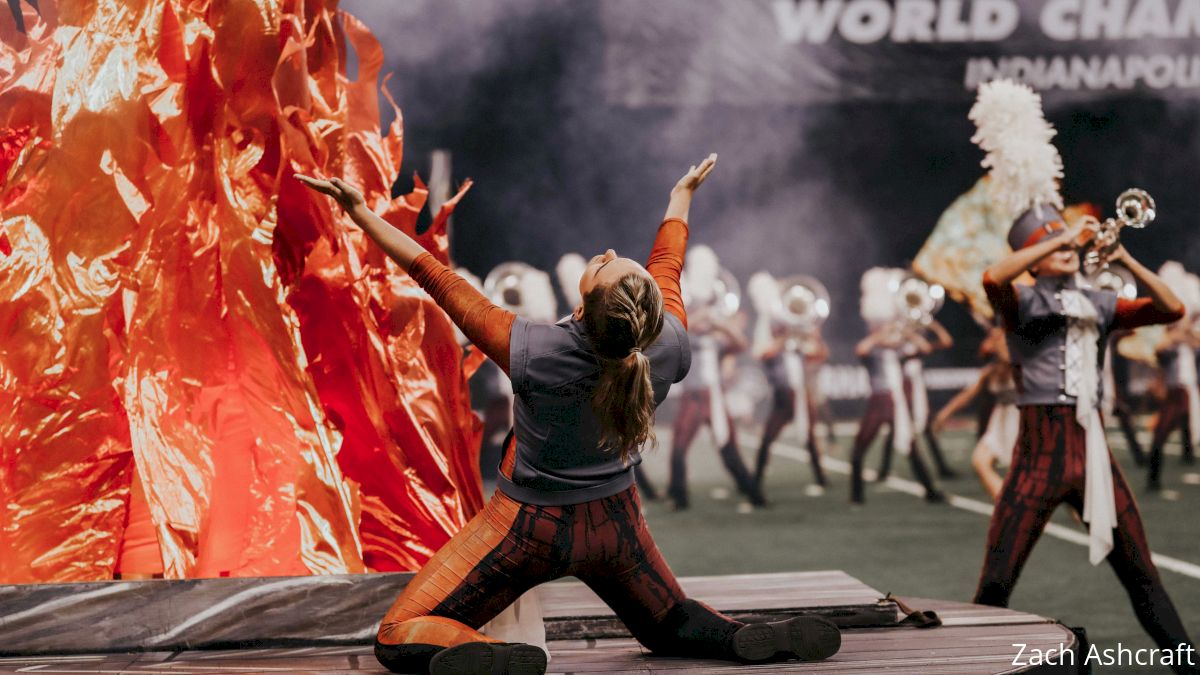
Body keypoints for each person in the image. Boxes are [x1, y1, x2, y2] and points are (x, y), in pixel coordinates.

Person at [297, 155, 841, 675]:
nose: (606, 251)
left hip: (527, 527)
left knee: (400, 630)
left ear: (582, 308)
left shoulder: (531, 349)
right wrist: (681, 197)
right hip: (615, 526)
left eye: (606, 264)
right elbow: (667, 263)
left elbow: (433, 275)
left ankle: (485, 651)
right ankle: (734, 636)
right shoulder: (669, 344)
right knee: (668, 623)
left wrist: (359, 211)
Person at [975, 210, 1197, 672]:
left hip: (1092, 452)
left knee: (1142, 576)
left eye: (1069, 245)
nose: (1069, 249)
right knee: (995, 587)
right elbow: (993, 276)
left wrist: (1126, 259)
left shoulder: (1099, 302)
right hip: (1038, 456)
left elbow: (1173, 309)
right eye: (1053, 247)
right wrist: (1068, 235)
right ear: (1032, 259)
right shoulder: (1021, 300)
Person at [666, 246, 765, 511]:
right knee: (679, 446)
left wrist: (722, 324)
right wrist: (700, 317)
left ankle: (754, 494)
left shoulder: (716, 322)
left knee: (728, 447)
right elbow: (675, 333)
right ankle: (679, 497)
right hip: (694, 394)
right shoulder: (684, 315)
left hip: (714, 395)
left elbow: (741, 344)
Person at [748, 283, 830, 497]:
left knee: (808, 435)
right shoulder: (774, 340)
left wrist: (812, 335)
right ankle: (756, 480)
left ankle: (821, 477)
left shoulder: (798, 336)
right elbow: (762, 354)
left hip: (799, 393)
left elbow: (820, 355)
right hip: (784, 395)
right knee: (769, 437)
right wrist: (783, 339)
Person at [931, 327, 1017, 500]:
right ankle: (1006, 504)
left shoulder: (1018, 363)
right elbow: (966, 395)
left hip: (1019, 418)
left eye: (997, 338)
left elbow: (1009, 358)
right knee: (980, 461)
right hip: (1001, 419)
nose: (990, 340)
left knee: (1029, 474)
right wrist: (944, 414)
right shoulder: (991, 371)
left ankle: (1011, 508)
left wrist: (998, 341)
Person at [876, 318, 957, 482]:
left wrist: (933, 324)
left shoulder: (915, 343)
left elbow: (945, 342)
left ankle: (941, 468)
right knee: (896, 428)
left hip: (916, 389)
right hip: (902, 390)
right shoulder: (898, 346)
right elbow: (885, 342)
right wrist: (903, 331)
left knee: (925, 427)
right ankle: (883, 471)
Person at [1147, 314, 1200, 491]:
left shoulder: (1188, 342)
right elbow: (1159, 349)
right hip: (1174, 392)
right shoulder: (1169, 344)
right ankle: (1153, 478)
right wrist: (1179, 333)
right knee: (1160, 434)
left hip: (1185, 390)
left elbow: (1195, 341)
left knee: (1186, 426)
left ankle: (1188, 455)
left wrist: (1187, 330)